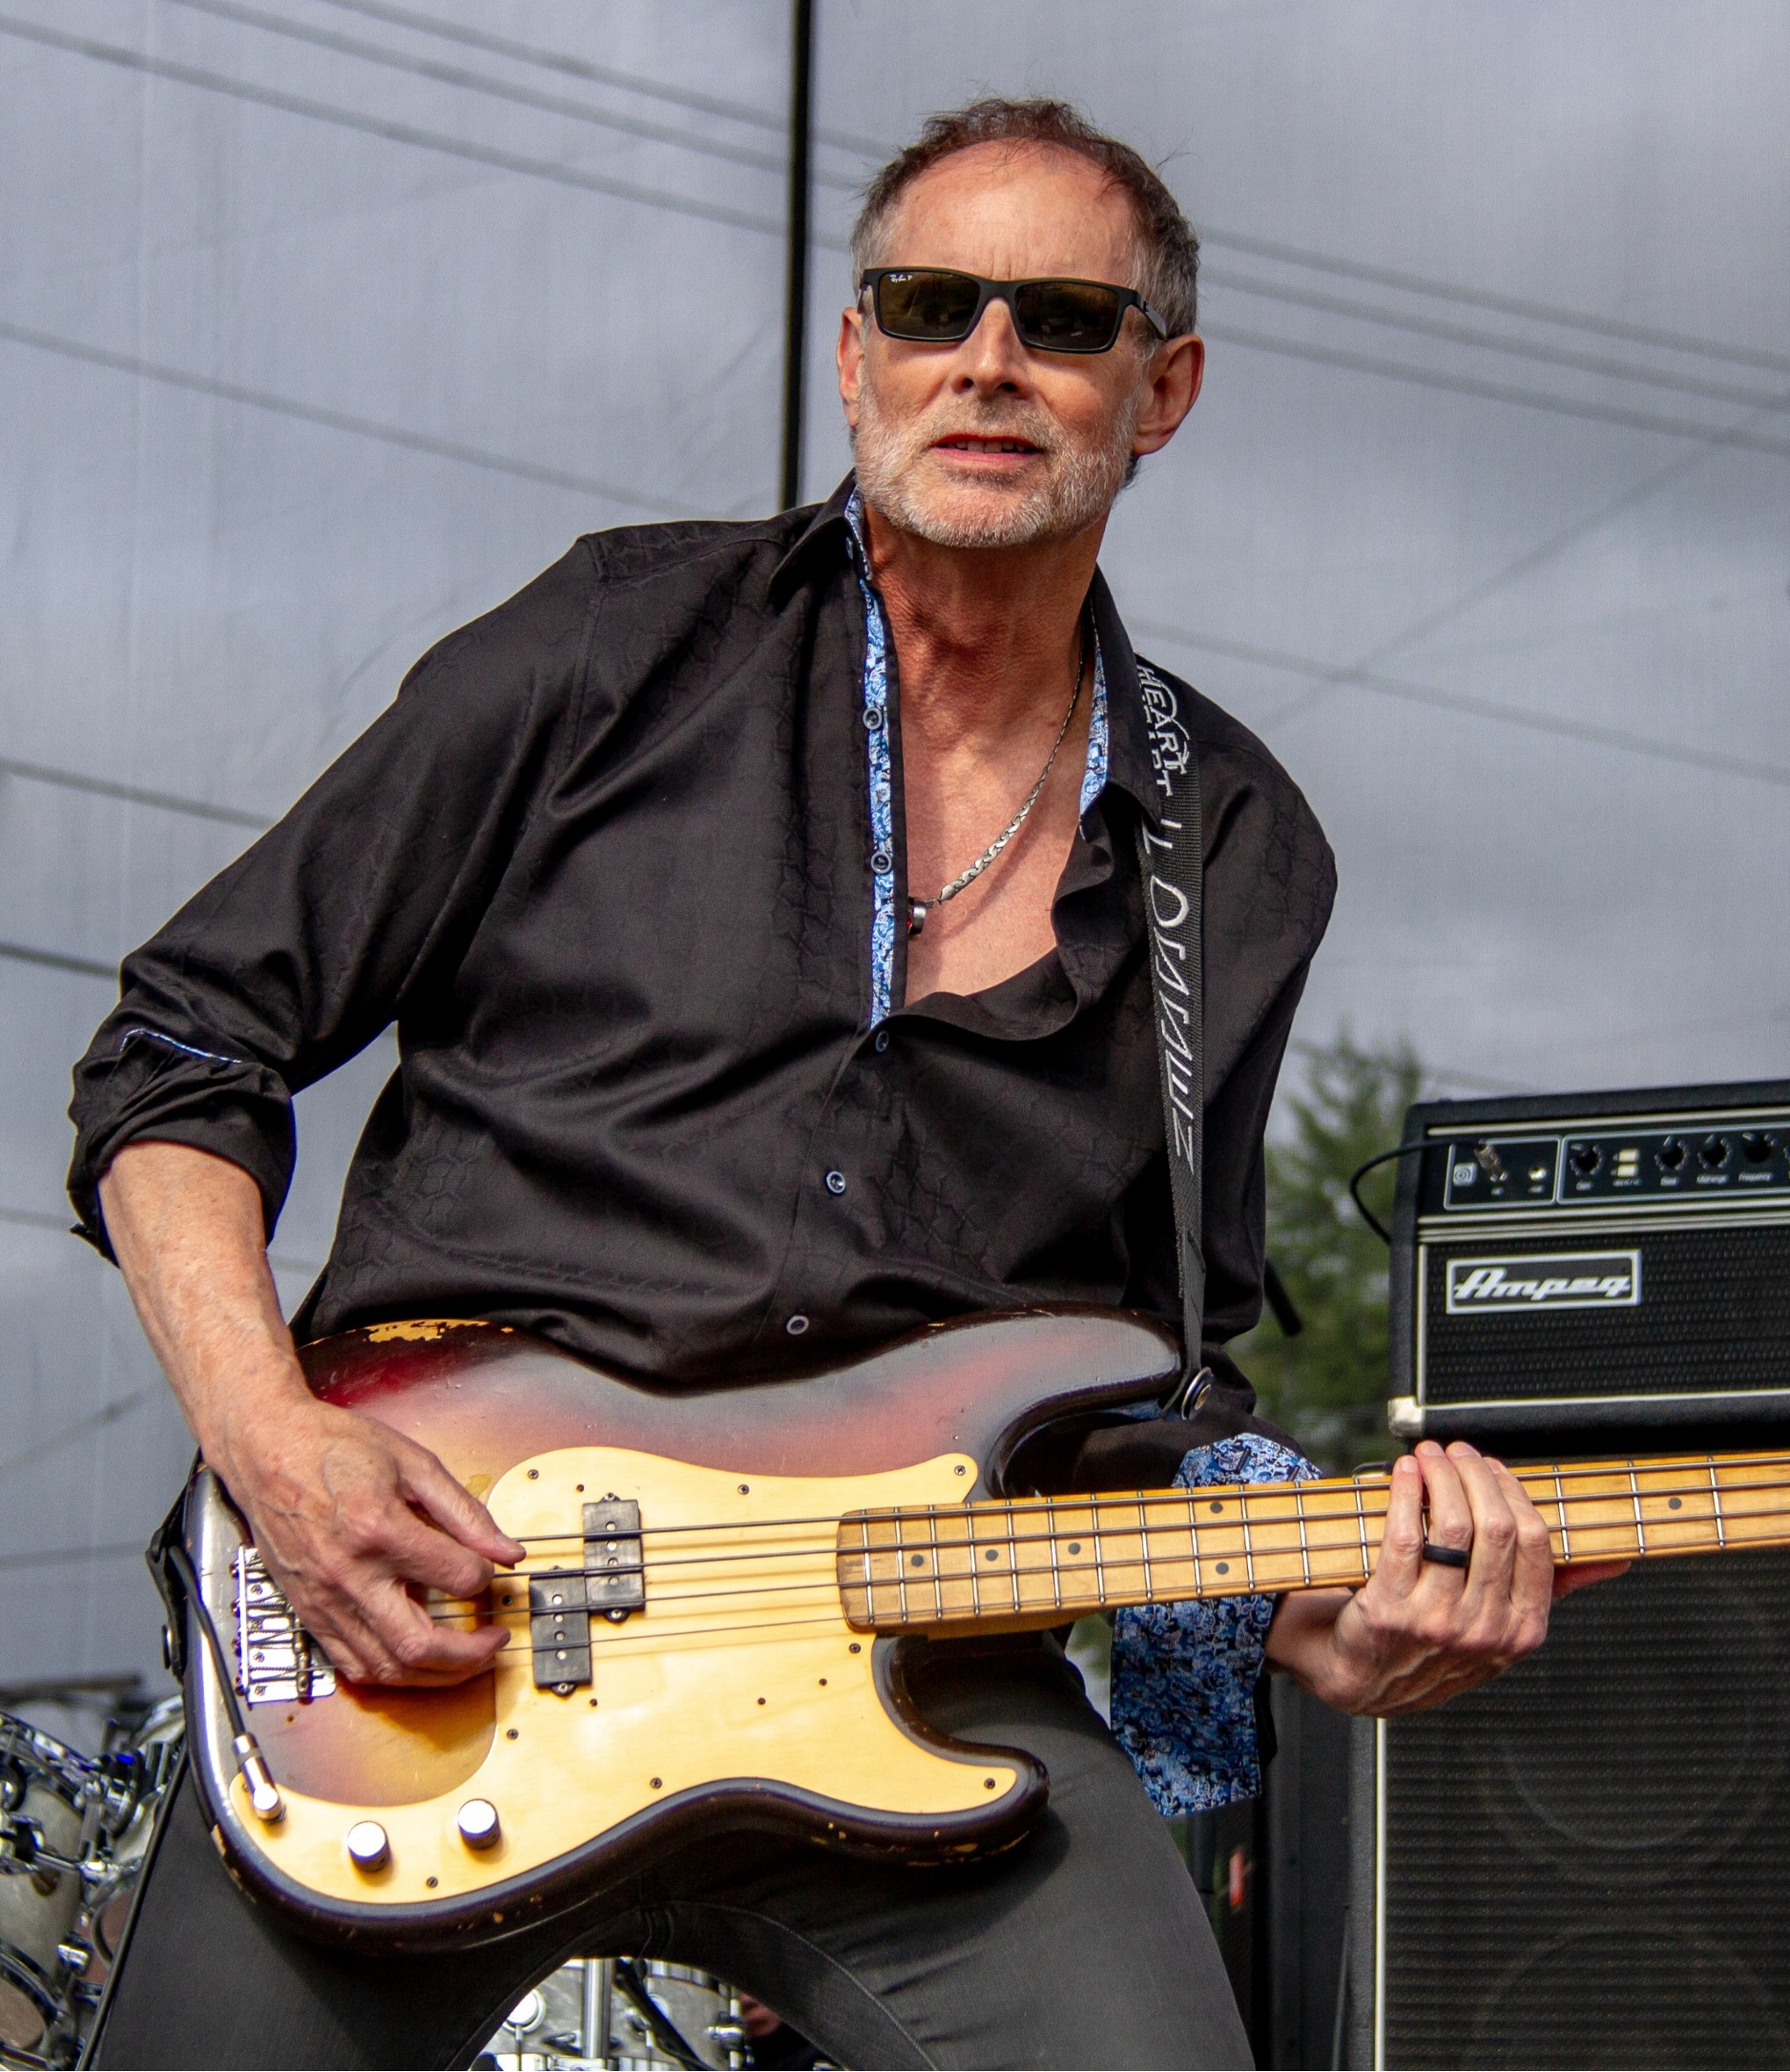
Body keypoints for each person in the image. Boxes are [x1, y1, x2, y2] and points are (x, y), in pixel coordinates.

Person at [68, 98, 1616, 2071]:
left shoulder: (1231, 841)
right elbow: (185, 1046)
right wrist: (273, 1444)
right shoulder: (612, 645)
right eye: (925, 302)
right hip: (428, 1626)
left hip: (925, 1667)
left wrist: (1325, 1614)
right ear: (850, 352)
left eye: (1061, 318)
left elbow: (1157, 1376)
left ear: (1163, 389)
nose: (985, 360)